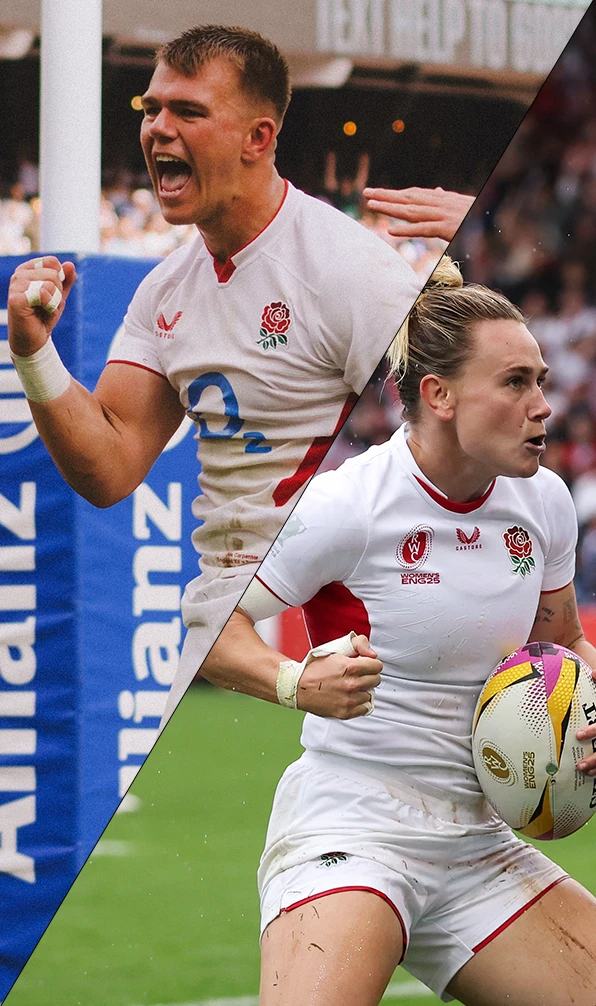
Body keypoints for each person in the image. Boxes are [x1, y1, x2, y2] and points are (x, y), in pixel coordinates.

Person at [7, 25, 428, 726]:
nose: (158, 129)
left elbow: (445, 424)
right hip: (232, 612)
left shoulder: (349, 270)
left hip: (353, 604)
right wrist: (33, 355)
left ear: (258, 138)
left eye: (188, 112)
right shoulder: (165, 291)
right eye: (151, 109)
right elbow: (108, 467)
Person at [203, 258, 596, 1006]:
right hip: (353, 827)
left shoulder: (543, 502)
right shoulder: (345, 505)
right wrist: (292, 681)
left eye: (541, 378)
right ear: (439, 395)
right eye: (516, 382)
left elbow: (565, 643)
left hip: (482, 842)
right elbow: (210, 630)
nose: (544, 403)